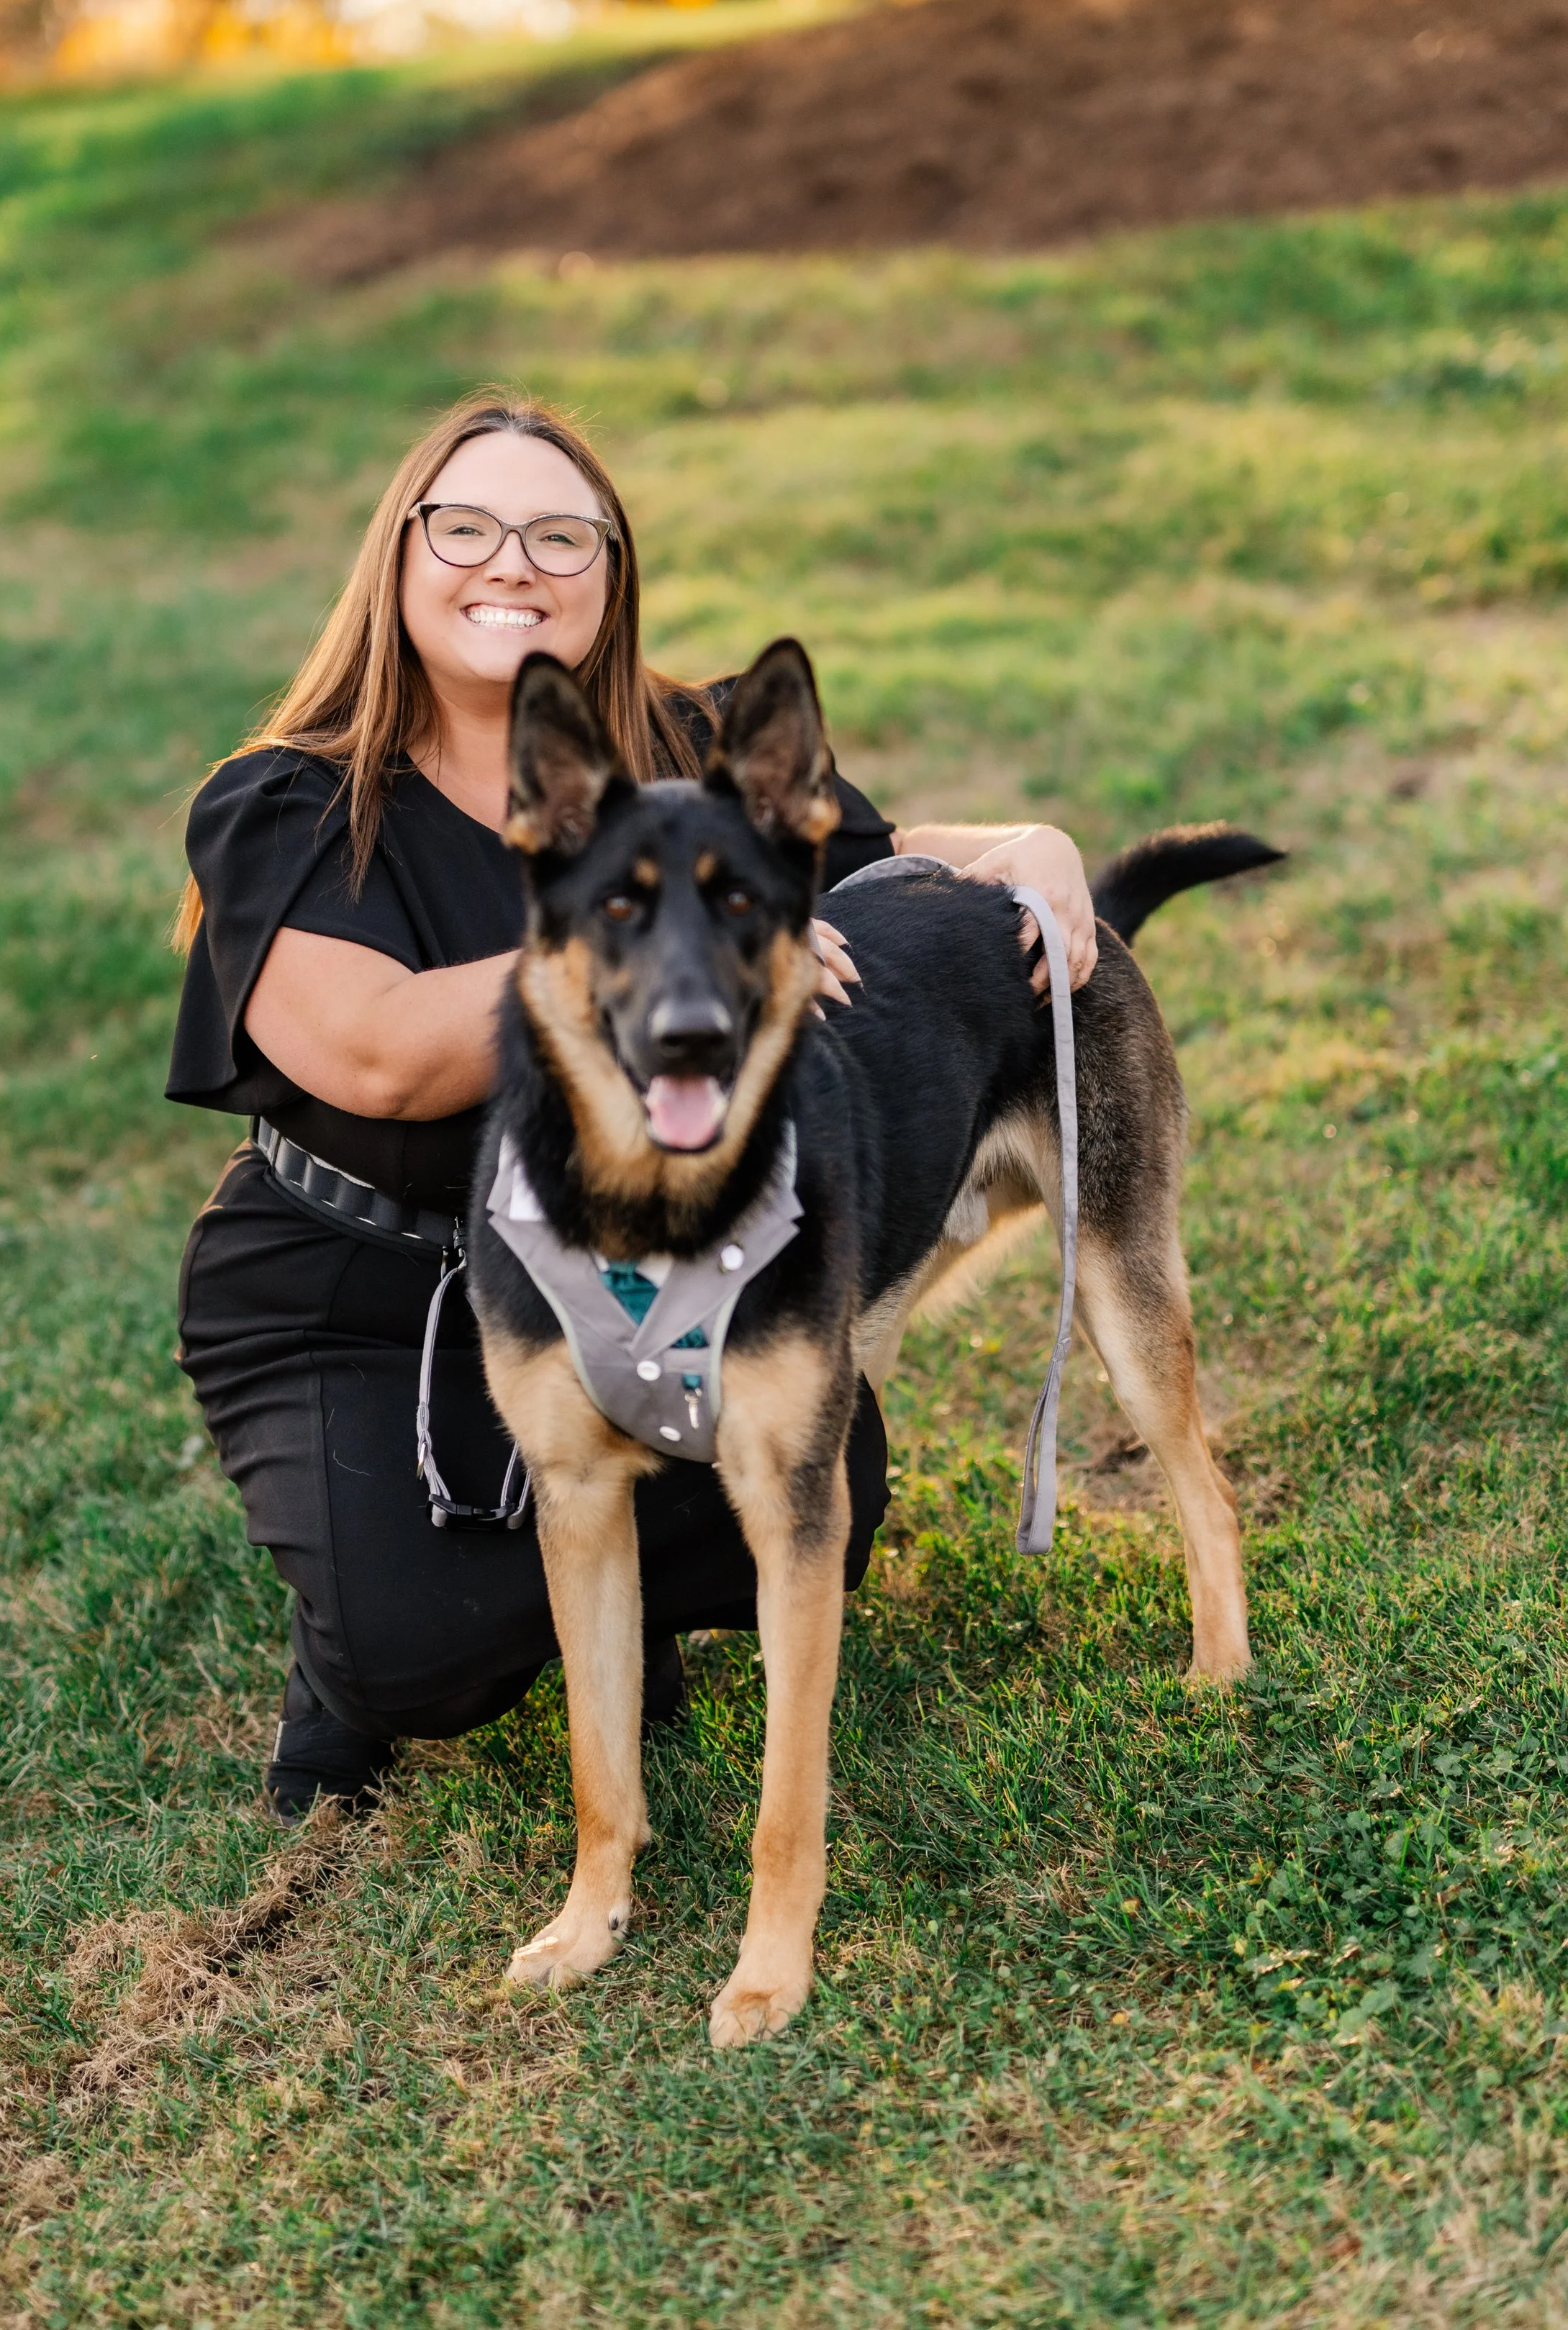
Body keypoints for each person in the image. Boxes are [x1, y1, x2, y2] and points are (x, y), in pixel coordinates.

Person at [168, 391, 1100, 1821]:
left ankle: (615, 1595)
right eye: (465, 527)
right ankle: (369, 1617)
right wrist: (668, 959)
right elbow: (378, 1059)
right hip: (358, 1276)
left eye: (560, 535)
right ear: (398, 554)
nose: (513, 564)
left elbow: (878, 851)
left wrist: (1031, 844)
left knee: (810, 1509)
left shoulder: (679, 742)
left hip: (631, 1251)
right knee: (419, 1648)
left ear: (609, 571)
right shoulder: (291, 799)